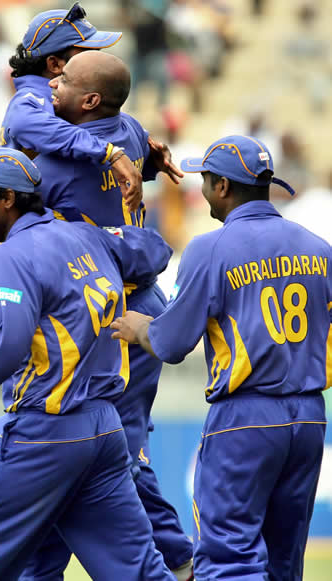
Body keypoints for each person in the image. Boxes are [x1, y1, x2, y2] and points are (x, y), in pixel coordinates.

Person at [0, 50, 193, 581]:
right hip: (135, 299)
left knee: (103, 449)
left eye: (63, 77)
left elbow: (17, 200)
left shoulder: (54, 163)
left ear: (89, 99)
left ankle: (179, 562)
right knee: (105, 451)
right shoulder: (132, 132)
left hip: (99, 317)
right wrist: (143, 161)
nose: (52, 84)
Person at [0, 147, 176, 581]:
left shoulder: (16, 255)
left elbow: (5, 345)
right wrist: (127, 220)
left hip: (44, 431)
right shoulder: (82, 235)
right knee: (137, 572)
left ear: (7, 199)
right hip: (105, 431)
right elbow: (155, 253)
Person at [111, 134, 331, 581]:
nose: (203, 189)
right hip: (309, 418)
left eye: (206, 180)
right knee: (284, 562)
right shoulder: (318, 248)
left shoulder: (209, 249)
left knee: (228, 557)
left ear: (224, 188)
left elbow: (172, 344)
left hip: (245, 415)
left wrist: (140, 328)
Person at [0, 2, 143, 213]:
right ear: (55, 65)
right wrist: (109, 152)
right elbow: (23, 125)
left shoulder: (69, 101)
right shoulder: (31, 100)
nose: (98, 57)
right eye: (86, 52)